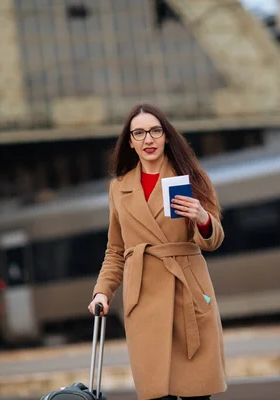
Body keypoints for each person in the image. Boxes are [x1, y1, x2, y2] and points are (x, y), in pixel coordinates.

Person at [88, 103, 227, 400]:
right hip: (144, 302)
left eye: (154, 131)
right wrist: (103, 291)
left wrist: (202, 218)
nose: (148, 139)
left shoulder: (190, 178)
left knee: (196, 393)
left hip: (188, 295)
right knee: (156, 394)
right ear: (130, 142)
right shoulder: (119, 188)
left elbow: (212, 241)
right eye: (139, 133)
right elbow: (115, 250)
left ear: (166, 136)